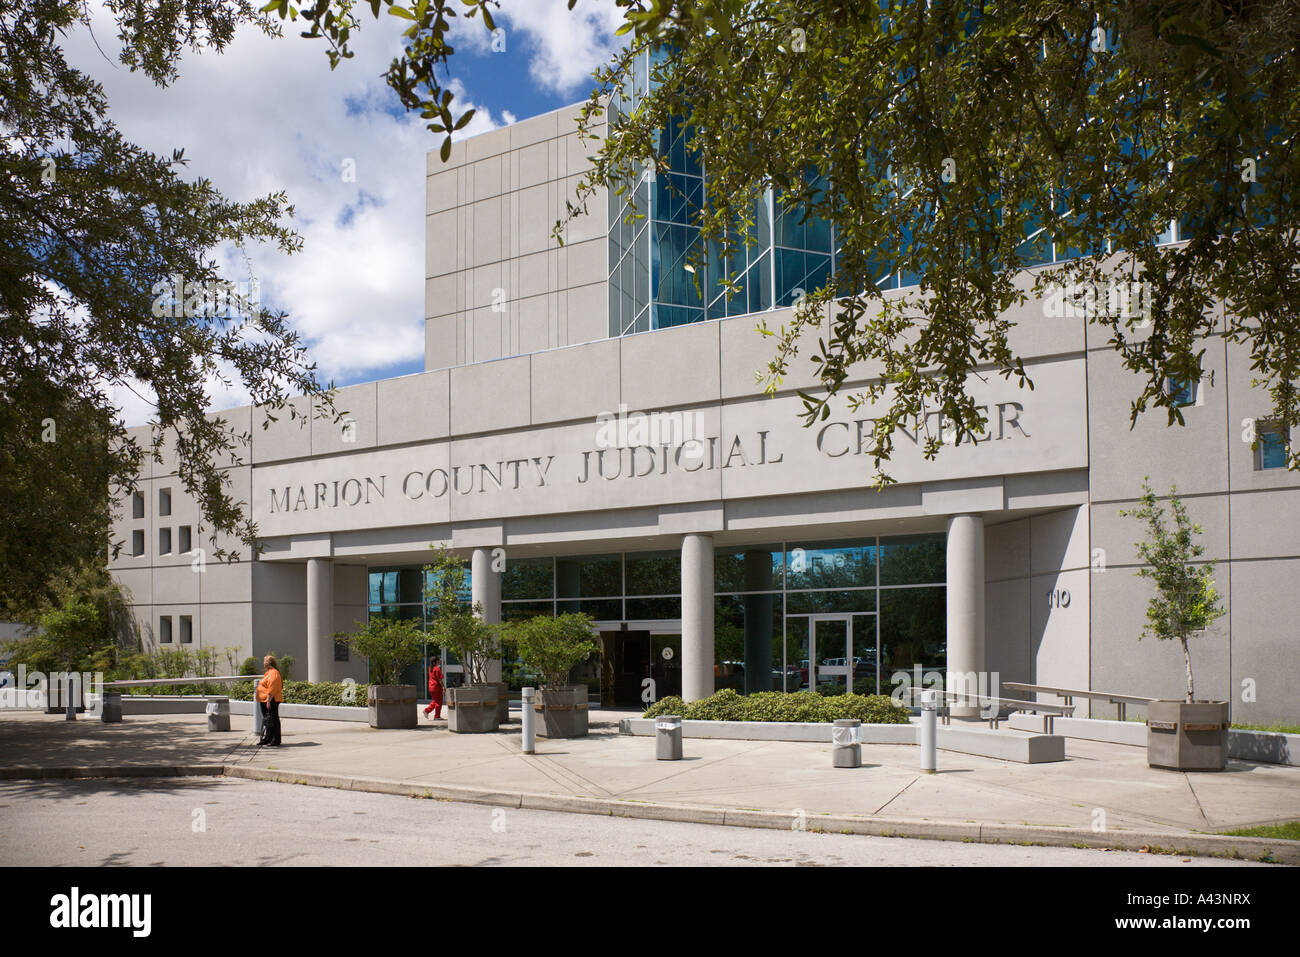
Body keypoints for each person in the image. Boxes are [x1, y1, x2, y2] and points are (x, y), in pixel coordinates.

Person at [257, 654, 283, 746]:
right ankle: (268, 738)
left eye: (265, 662)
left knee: (273, 719)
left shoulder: (274, 673)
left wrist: (268, 700)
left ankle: (275, 740)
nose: (263, 664)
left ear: (269, 663)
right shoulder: (269, 673)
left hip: (272, 699)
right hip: (265, 700)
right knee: (268, 720)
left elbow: (273, 687)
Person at [422, 655, 445, 720]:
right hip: (437, 687)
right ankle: (436, 716)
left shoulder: (430, 668)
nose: (439, 662)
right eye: (438, 661)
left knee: (435, 701)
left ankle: (427, 711)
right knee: (438, 702)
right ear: (435, 662)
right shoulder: (437, 669)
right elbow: (440, 679)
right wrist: (443, 687)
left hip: (431, 687)